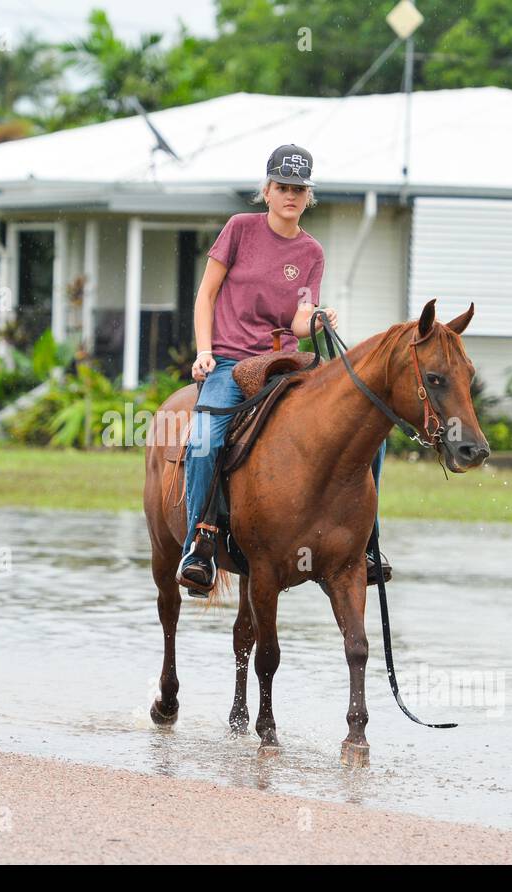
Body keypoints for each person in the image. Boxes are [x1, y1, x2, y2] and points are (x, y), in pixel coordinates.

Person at [176, 143, 390, 594]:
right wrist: (203, 350)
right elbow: (206, 295)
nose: (291, 195)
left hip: (287, 361)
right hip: (231, 360)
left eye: (299, 189)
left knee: (369, 429)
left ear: (307, 196)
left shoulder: (311, 252)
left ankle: (366, 543)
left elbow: (297, 318)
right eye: (283, 187)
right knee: (204, 438)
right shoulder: (239, 229)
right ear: (267, 191)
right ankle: (200, 542)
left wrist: (315, 319)